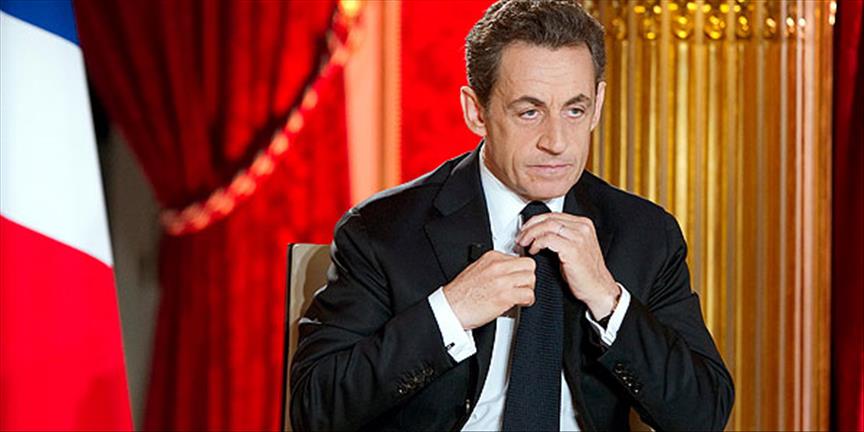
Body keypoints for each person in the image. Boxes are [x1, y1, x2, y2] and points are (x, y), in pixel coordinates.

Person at [290, 1, 734, 430]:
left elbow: (703, 414)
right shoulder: (383, 230)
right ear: (476, 111)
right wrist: (449, 312)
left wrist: (608, 300)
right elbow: (316, 407)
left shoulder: (645, 233)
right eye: (529, 112)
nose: (556, 142)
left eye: (574, 110)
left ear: (597, 106)